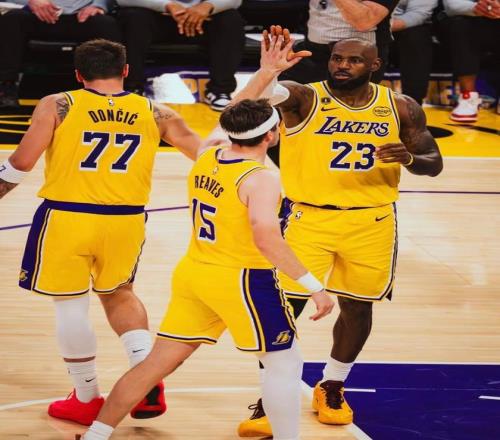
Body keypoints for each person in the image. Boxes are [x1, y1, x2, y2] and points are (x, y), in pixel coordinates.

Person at [78, 36, 334, 440]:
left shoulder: (210, 153)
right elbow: (267, 239)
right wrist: (314, 286)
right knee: (285, 363)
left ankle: (96, 434)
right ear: (272, 136)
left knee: (154, 365)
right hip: (243, 279)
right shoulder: (261, 178)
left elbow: (234, 112)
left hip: (195, 274)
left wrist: (267, 72)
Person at [238, 28, 443, 437]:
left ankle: (332, 384)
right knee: (284, 309)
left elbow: (432, 162)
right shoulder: (304, 97)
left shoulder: (400, 106)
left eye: (353, 60)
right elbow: (252, 102)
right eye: (337, 58)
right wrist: (268, 71)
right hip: (308, 219)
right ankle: (273, 395)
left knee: (358, 308)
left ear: (375, 65)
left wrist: (409, 158)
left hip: (372, 221)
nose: (342, 66)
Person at [0, 39, 202, 426]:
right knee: (120, 293)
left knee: (70, 304)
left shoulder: (58, 104)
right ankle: (146, 377)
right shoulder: (156, 112)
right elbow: (209, 156)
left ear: (78, 74)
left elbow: (20, 164)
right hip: (126, 220)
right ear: (125, 70)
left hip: (67, 217)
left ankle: (86, 397)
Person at [116, 0, 245, 111]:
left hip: (203, 20)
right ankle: (132, 88)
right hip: (156, 16)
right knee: (134, 17)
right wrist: (167, 5)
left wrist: (208, 5)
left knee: (231, 18)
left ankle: (220, 90)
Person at [0, 0, 121, 108]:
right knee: (12, 19)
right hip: (35, 13)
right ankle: (6, 87)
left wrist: (99, 6)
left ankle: (109, 90)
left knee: (107, 24)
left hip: (82, 14)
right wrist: (31, 1)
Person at [279, 0, 398, 85]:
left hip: (356, 55)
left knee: (343, 109)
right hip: (313, 49)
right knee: (283, 93)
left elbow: (364, 21)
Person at [440, 0, 500, 122]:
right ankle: (468, 96)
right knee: (461, 23)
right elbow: (451, 5)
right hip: (469, 18)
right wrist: (477, 8)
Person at [391, 0, 438, 105]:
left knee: (416, 35)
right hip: (360, 25)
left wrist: (381, 27)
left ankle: (412, 102)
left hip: (399, 27)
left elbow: (418, 14)